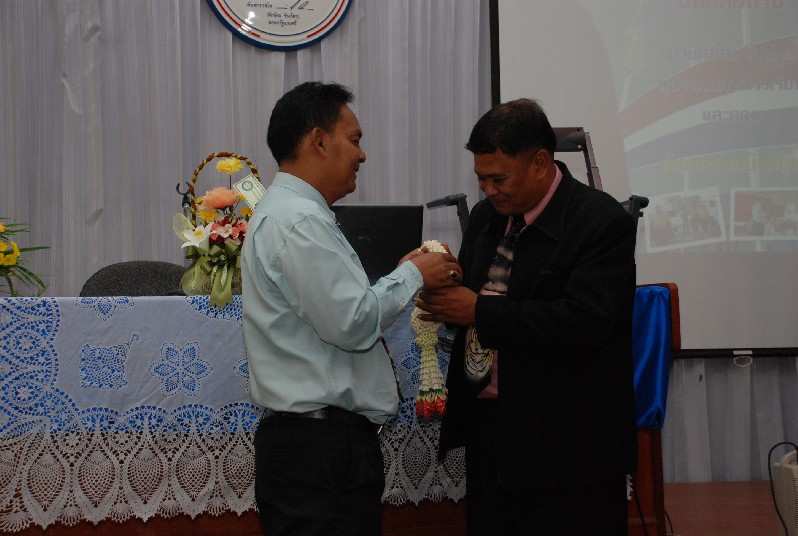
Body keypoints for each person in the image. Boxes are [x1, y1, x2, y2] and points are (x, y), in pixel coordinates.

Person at [240, 81, 461, 536]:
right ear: (319, 141)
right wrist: (414, 275)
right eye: (354, 139)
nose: (362, 155)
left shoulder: (297, 214)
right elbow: (352, 322)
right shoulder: (298, 220)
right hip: (318, 451)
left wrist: (404, 274)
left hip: (317, 447)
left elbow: (339, 311)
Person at [415, 98, 638, 535]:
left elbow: (586, 320)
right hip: (493, 435)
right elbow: (475, 294)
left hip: (570, 445)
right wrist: (442, 284)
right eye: (481, 179)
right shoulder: (486, 216)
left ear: (539, 163)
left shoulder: (600, 221)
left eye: (498, 179)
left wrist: (477, 310)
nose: (488, 190)